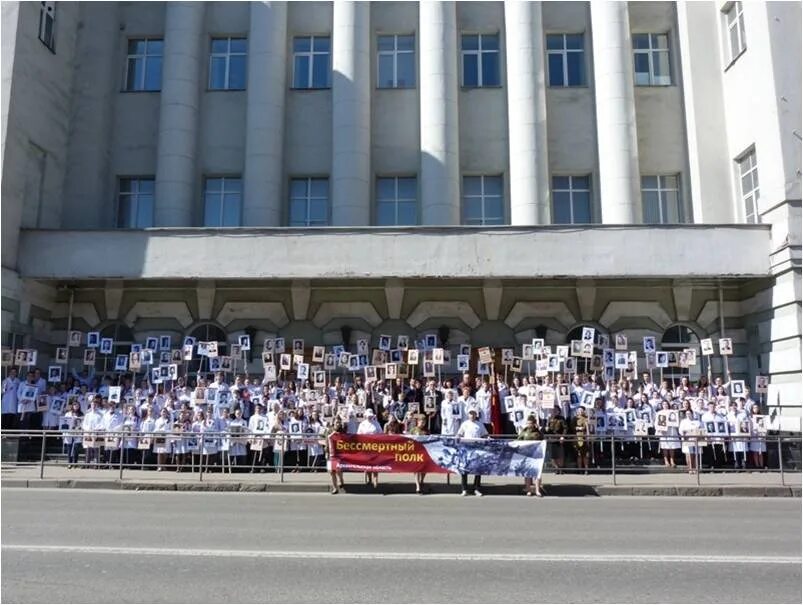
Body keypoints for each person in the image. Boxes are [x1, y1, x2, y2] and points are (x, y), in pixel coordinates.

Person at [456, 409, 488, 496]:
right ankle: (464, 489)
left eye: (474, 414)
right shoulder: (465, 424)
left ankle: (476, 489)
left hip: (477, 449)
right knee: (464, 469)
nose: (472, 416)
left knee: (477, 469)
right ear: (468, 415)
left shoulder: (480, 424)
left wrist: (488, 438)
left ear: (476, 415)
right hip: (466, 449)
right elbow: (459, 434)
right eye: (470, 414)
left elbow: (485, 434)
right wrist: (457, 438)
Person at [516, 415, 544, 497]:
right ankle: (528, 490)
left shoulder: (537, 432)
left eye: (530, 423)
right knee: (528, 473)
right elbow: (518, 440)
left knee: (537, 473)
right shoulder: (524, 431)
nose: (529, 425)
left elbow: (543, 440)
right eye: (528, 423)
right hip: (527, 455)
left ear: (534, 423)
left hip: (536, 455)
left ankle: (537, 490)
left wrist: (539, 430)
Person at [357, 408, 382, 488]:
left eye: (370, 416)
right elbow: (358, 435)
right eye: (368, 416)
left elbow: (381, 434)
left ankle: (375, 479)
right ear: (365, 416)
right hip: (365, 447)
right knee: (367, 464)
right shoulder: (362, 424)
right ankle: (369, 479)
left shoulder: (376, 423)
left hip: (374, 447)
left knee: (375, 464)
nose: (369, 417)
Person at [407, 415, 429, 494]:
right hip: (416, 451)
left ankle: (422, 481)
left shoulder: (426, 431)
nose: (422, 423)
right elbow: (408, 439)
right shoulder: (413, 430)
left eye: (424, 422)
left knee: (424, 469)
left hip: (424, 451)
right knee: (417, 469)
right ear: (418, 421)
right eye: (421, 421)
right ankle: (418, 486)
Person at [324, 416, 346, 494]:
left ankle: (341, 480)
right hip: (331, 453)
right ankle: (334, 487)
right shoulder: (329, 431)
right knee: (331, 471)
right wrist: (326, 452)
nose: (338, 424)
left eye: (339, 422)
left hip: (339, 454)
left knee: (338, 469)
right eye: (337, 422)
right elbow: (327, 442)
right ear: (333, 423)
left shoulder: (343, 431)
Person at [679, 409, 702, 474]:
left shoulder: (697, 421)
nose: (688, 415)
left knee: (695, 454)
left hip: (696, 440)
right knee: (688, 454)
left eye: (689, 413)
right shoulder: (683, 421)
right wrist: (684, 433)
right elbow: (680, 430)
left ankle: (696, 468)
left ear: (692, 414)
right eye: (687, 414)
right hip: (687, 439)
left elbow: (701, 429)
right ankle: (690, 468)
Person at [546, 405, 566, 473]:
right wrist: (546, 428)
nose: (554, 411)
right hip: (551, 439)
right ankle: (557, 468)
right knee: (552, 455)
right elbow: (547, 430)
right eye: (553, 410)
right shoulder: (549, 418)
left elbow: (565, 428)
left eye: (556, 410)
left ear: (559, 411)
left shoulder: (561, 418)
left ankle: (561, 469)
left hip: (559, 438)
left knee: (560, 455)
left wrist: (563, 436)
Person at [572, 407, 590, 474]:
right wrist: (577, 427)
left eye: (582, 410)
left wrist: (588, 435)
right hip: (577, 437)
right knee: (579, 455)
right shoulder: (574, 419)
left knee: (586, 455)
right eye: (579, 410)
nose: (580, 412)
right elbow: (572, 427)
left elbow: (588, 428)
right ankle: (580, 470)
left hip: (584, 437)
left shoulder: (586, 418)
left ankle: (586, 469)